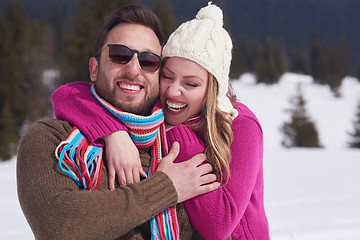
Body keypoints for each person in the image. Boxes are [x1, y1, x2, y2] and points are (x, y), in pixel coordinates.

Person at [52, 3, 270, 240]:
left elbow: (219, 225)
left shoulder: (241, 124)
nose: (173, 92)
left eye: (191, 84)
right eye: (167, 77)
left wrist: (178, 134)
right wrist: (113, 131)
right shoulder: (160, 103)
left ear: (212, 91)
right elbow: (67, 95)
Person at [17, 4, 220, 240]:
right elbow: (57, 225)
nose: (134, 70)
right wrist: (165, 189)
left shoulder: (183, 143)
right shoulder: (53, 140)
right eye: (120, 55)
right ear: (94, 69)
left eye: (149, 61)